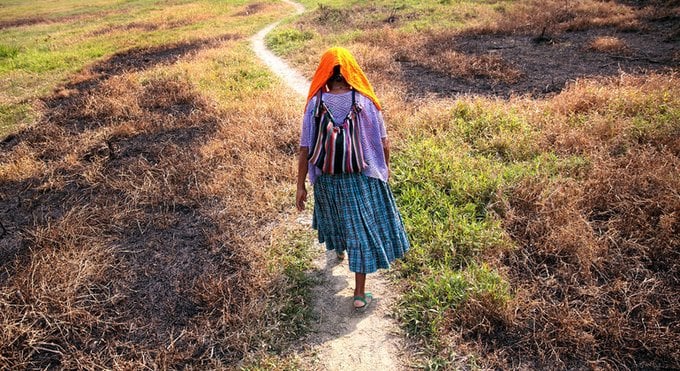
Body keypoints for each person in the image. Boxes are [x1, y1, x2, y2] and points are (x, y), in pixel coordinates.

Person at [296, 46, 410, 310]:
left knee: (337, 219)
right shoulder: (366, 101)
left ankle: (339, 250)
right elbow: (384, 143)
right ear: (351, 71)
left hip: (327, 178)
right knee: (362, 231)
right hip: (361, 176)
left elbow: (305, 148)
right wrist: (385, 170)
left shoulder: (315, 103)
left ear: (324, 73)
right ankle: (359, 294)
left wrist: (300, 185)